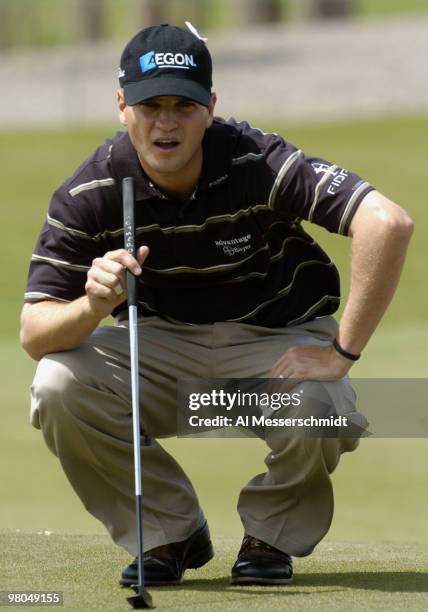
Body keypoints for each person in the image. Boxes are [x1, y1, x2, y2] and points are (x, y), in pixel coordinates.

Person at [20, 23, 413, 587]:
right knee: (56, 382)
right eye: (150, 104)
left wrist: (341, 353)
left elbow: (388, 223)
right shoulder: (90, 190)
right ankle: (167, 533)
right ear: (121, 106)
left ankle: (270, 539)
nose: (166, 122)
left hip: (272, 340)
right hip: (161, 347)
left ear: (211, 107)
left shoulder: (256, 159)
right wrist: (90, 304)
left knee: (322, 402)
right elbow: (34, 332)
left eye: (184, 104)